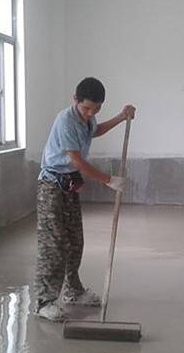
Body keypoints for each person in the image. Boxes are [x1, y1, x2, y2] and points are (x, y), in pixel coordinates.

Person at [34, 77, 136, 322]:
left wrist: (121, 117)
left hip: (69, 184)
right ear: (75, 100)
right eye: (86, 108)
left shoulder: (86, 120)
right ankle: (44, 302)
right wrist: (108, 180)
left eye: (96, 109)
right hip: (51, 186)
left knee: (75, 241)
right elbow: (78, 161)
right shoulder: (66, 121)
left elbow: (95, 130)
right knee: (53, 244)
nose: (91, 113)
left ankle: (73, 291)